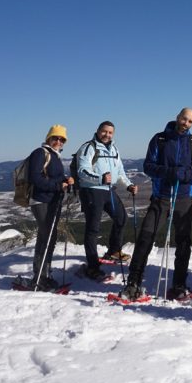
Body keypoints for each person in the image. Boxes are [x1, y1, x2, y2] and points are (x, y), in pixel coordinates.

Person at [118, 108, 192, 302]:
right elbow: (148, 166)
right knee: (145, 238)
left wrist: (185, 175)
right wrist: (168, 172)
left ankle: (179, 284)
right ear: (177, 117)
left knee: (183, 242)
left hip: (184, 197)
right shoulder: (159, 139)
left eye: (190, 121)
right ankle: (134, 282)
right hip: (161, 197)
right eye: (184, 118)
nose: (186, 123)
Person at [74, 121, 138, 281]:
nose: (107, 135)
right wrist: (100, 178)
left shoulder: (114, 149)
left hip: (109, 190)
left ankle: (114, 251)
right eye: (104, 131)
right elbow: (82, 171)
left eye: (110, 132)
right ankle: (92, 266)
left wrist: (128, 185)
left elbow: (120, 171)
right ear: (98, 131)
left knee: (121, 218)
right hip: (92, 191)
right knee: (93, 228)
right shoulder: (88, 147)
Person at [24, 125, 74, 291]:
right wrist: (58, 185)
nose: (58, 141)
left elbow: (55, 177)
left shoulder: (55, 156)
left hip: (52, 201)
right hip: (41, 201)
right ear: (48, 138)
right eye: (55, 138)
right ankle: (40, 277)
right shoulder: (40, 153)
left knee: (48, 238)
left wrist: (66, 181)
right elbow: (35, 178)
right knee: (47, 238)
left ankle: (44, 274)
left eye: (61, 139)